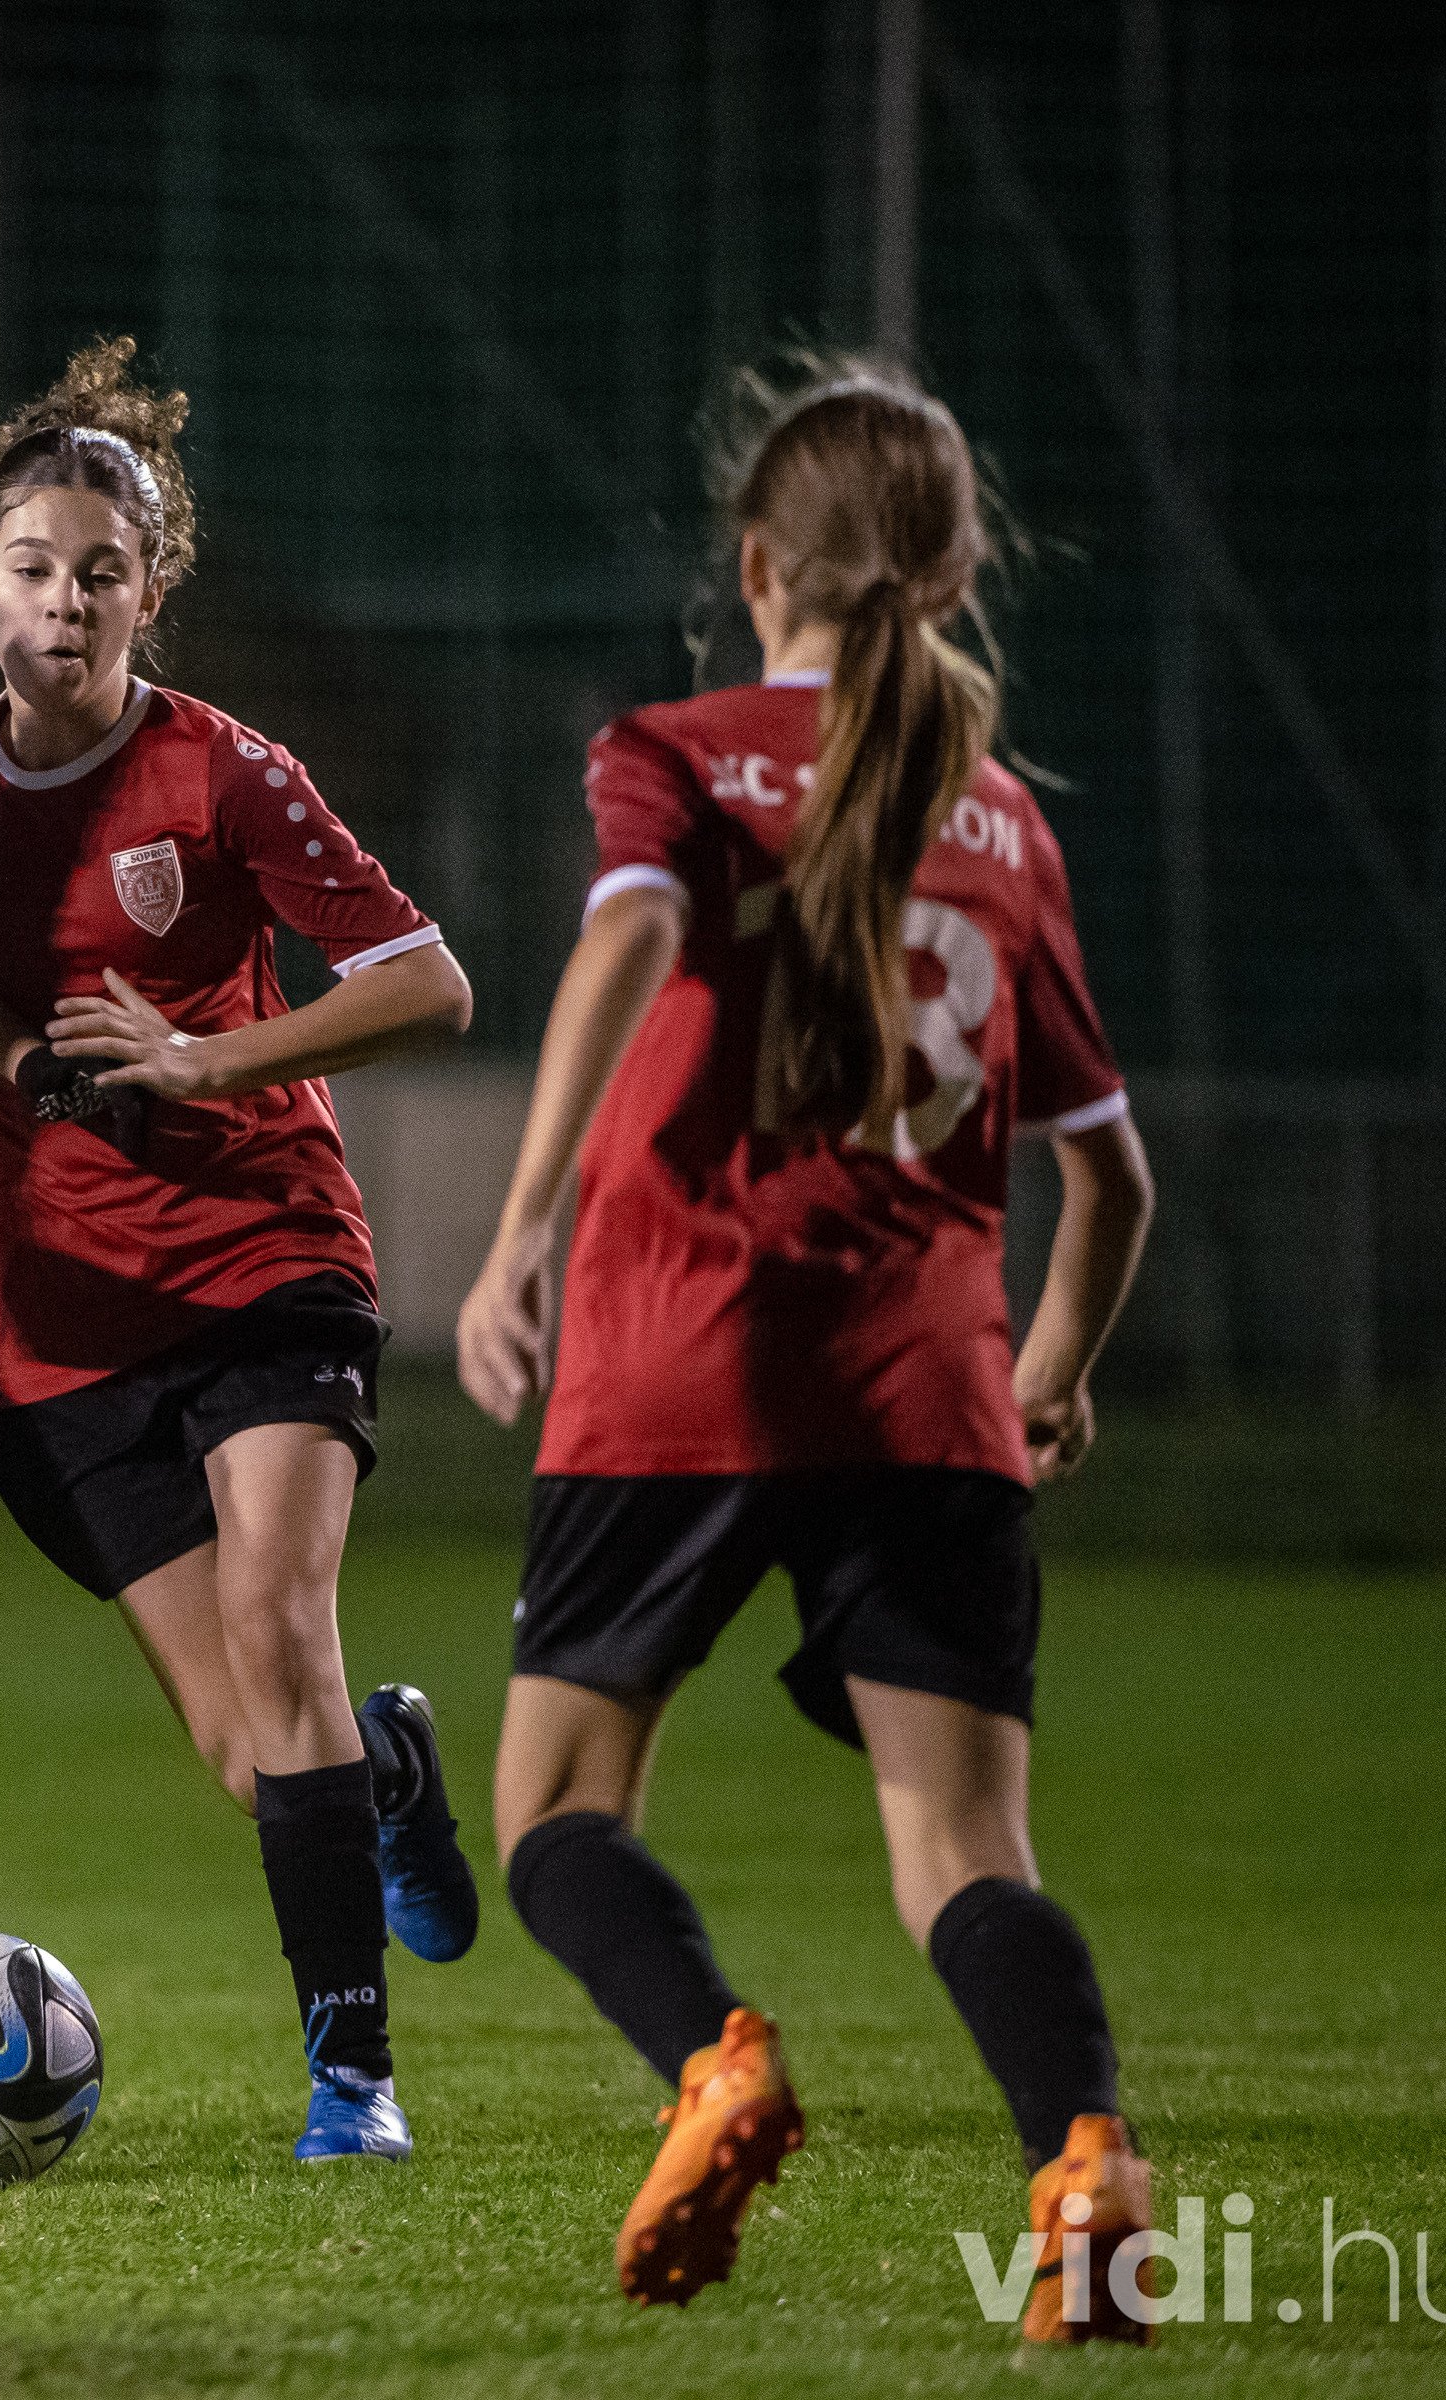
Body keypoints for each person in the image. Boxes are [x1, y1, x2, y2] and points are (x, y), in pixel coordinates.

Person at [453, 364, 1158, 2337]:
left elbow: (625, 942)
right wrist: (1049, 1374)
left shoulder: (675, 754)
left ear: (757, 564)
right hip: (930, 1393)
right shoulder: (1004, 820)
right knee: (965, 1852)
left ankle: (718, 2066)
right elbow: (1112, 1181)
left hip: (678, 1363)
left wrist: (518, 1229)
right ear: (955, 577)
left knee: (556, 1818)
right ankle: (1087, 2164)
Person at [0, 339, 481, 2166]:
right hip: (46, 1324)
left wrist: (212, 1060)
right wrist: (18, 1059)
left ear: (151, 592)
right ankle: (385, 1768)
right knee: (254, 1748)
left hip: (259, 1253)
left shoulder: (223, 774)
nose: (66, 601)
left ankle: (353, 2086)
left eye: (103, 571)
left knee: (282, 1624)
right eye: (34, 567)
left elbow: (428, 983)